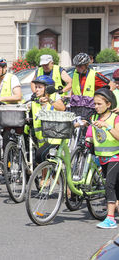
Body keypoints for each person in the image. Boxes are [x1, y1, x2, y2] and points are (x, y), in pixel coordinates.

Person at [84, 88, 119, 228]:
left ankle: (110, 219)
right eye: (95, 104)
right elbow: (90, 135)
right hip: (102, 157)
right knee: (116, 188)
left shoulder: (114, 118)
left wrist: (107, 126)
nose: (96, 107)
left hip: (116, 156)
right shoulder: (94, 118)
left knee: (109, 186)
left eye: (99, 104)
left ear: (108, 104)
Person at [28, 75, 65, 165]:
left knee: (40, 155)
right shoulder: (35, 100)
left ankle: (48, 178)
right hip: (42, 139)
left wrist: (49, 101)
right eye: (36, 87)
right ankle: (44, 179)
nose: (36, 89)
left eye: (40, 87)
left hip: (54, 138)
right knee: (40, 160)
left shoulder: (54, 96)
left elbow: (62, 108)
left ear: (48, 88)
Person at [70, 52, 115, 120]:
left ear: (87, 64)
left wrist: (104, 99)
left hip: (91, 108)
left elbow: (112, 85)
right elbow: (75, 90)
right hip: (77, 107)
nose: (78, 68)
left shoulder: (95, 75)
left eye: (81, 66)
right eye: (76, 66)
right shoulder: (75, 74)